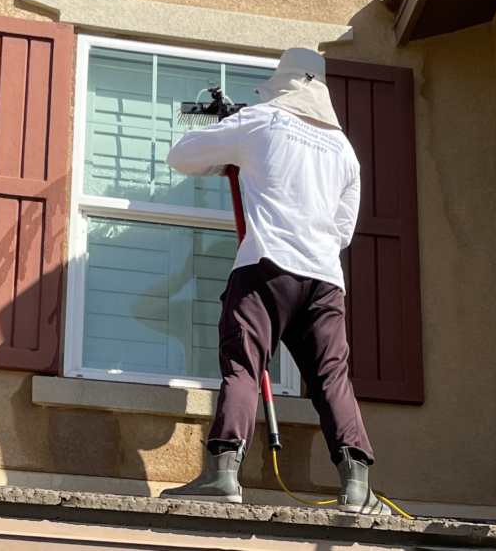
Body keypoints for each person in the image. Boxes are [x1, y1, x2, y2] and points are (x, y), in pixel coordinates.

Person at [159, 48, 388, 515]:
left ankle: (222, 475)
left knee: (243, 363)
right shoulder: (345, 152)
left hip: (266, 268)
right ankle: (357, 487)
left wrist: (233, 156)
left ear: (281, 86)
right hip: (325, 279)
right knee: (331, 377)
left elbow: (180, 155)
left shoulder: (261, 121)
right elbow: (343, 232)